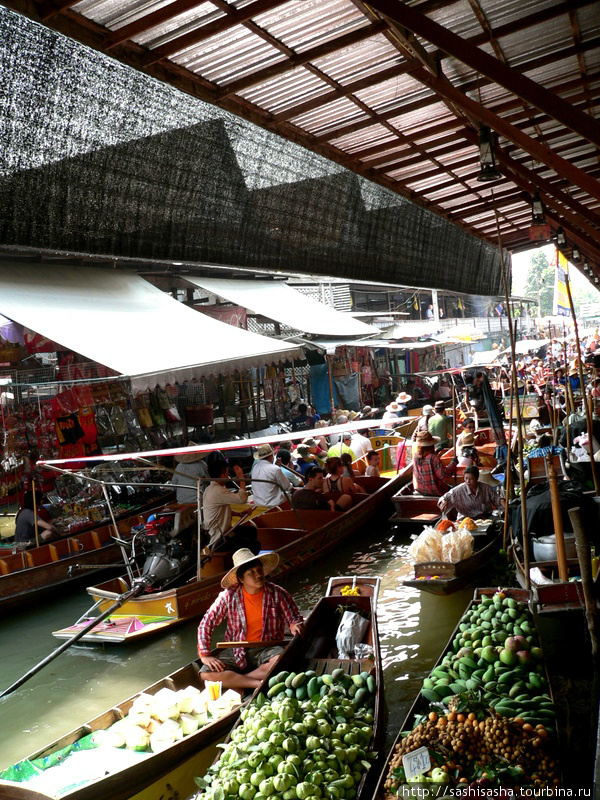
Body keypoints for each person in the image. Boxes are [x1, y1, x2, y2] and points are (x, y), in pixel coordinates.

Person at [197, 549, 304, 690]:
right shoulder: (228, 597)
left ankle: (238, 681)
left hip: (267, 648)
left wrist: (294, 625)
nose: (258, 574)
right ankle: (258, 684)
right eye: (251, 573)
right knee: (205, 674)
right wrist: (205, 654)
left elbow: (293, 617)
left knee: (279, 661)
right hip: (237, 649)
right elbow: (206, 624)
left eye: (259, 569)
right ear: (241, 579)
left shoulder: (277, 593)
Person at [202, 461, 249, 547]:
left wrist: (238, 514)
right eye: (227, 473)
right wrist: (241, 477)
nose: (228, 476)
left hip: (225, 532)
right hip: (219, 540)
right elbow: (242, 499)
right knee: (254, 545)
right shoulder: (217, 491)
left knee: (251, 531)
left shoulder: (210, 489)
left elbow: (221, 510)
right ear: (222, 475)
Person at [412, 430, 457, 497]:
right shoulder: (433, 458)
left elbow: (426, 457)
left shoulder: (415, 455)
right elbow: (444, 474)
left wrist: (438, 450)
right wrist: (453, 463)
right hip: (435, 491)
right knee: (455, 490)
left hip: (420, 490)